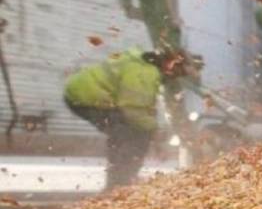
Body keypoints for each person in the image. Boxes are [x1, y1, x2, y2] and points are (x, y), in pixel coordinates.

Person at [63, 48, 183, 190]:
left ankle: (122, 178)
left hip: (85, 94)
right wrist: (154, 132)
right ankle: (119, 184)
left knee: (128, 131)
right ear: (169, 65)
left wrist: (153, 134)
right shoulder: (144, 73)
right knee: (131, 133)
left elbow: (144, 109)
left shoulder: (144, 65)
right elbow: (134, 111)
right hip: (85, 98)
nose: (175, 77)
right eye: (177, 73)